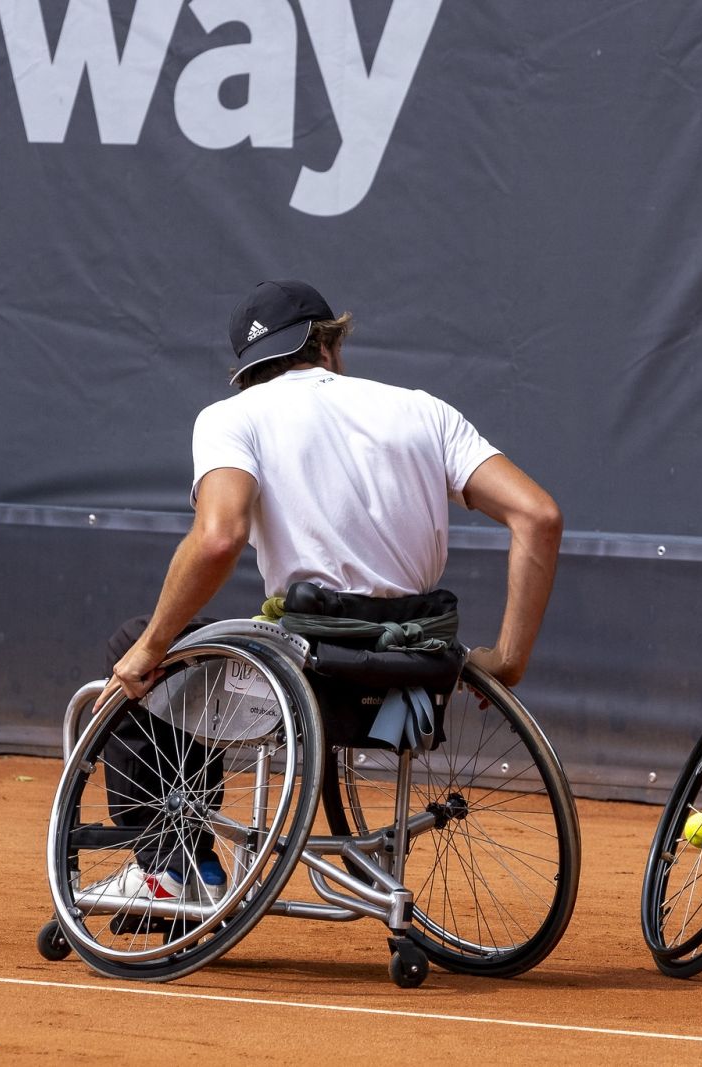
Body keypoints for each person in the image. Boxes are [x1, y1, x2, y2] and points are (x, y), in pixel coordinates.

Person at [96, 278, 563, 903]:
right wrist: (508, 660)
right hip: (410, 689)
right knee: (187, 654)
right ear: (330, 347)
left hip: (309, 685)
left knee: (143, 648)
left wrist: (152, 647)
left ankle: (175, 867)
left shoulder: (231, 417)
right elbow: (539, 516)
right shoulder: (424, 409)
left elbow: (216, 539)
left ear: (249, 373)